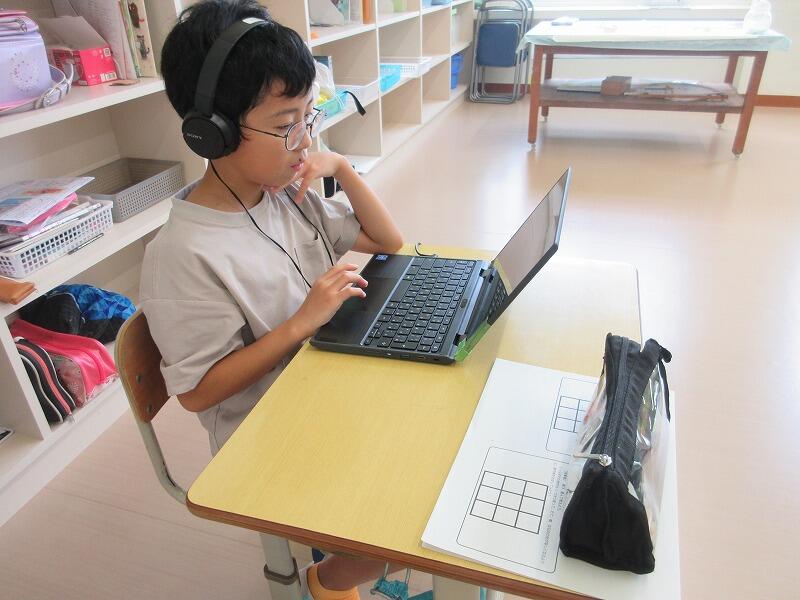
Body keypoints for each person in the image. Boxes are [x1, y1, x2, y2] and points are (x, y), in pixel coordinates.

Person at [139, 1, 404, 598]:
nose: (304, 140)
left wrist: (342, 167)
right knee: (397, 522)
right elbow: (197, 393)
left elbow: (388, 241)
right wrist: (299, 323)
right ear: (213, 131)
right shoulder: (183, 254)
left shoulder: (282, 193)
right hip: (267, 433)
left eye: (310, 116)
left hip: (324, 387)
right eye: (287, 124)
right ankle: (322, 581)